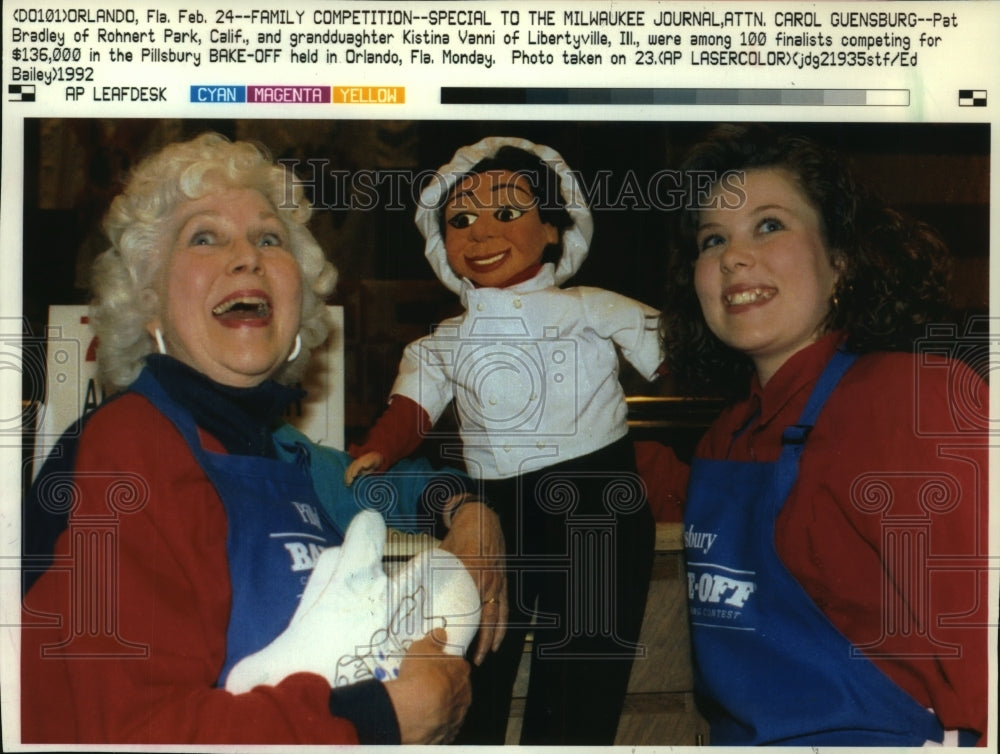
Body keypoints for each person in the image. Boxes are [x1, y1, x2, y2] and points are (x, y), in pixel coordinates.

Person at [21, 132, 507, 745]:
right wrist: (377, 719)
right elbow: (126, 731)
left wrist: (469, 513)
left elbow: (382, 484)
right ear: (148, 302)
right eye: (205, 237)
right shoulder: (125, 447)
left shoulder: (280, 454)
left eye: (269, 238)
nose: (247, 256)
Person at [657, 124, 988, 746]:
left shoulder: (913, 400)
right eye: (712, 239)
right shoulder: (722, 438)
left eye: (769, 225)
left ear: (842, 260)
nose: (732, 256)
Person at [345, 136, 662, 744]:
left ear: (552, 229)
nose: (482, 233)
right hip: (496, 513)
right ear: (442, 246)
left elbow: (682, 362)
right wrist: (381, 448)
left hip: (595, 503)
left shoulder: (592, 308)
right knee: (475, 654)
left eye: (508, 213)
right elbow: (412, 408)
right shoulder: (444, 338)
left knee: (583, 672)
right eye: (460, 220)